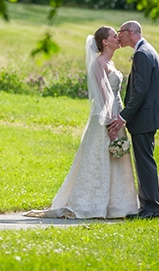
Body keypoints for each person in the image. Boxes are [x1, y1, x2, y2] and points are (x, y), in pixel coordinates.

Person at [25, 26, 139, 219]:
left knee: (116, 160)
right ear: (105, 42)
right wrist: (111, 122)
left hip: (116, 116)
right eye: (113, 36)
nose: (117, 38)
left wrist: (119, 120)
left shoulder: (110, 62)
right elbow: (104, 97)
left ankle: (117, 205)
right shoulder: (99, 64)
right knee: (98, 158)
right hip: (105, 117)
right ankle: (91, 203)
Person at [107, 21, 159, 219]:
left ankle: (151, 209)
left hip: (145, 117)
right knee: (144, 162)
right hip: (148, 117)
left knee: (145, 163)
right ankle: (147, 207)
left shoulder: (142, 53)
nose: (119, 36)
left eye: (120, 33)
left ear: (130, 32)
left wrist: (124, 116)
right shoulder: (147, 50)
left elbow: (140, 91)